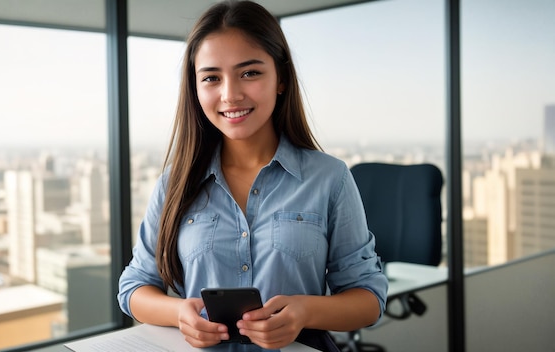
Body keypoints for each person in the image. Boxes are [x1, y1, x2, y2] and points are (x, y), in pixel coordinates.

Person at [118, 1, 388, 351]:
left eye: (250, 73)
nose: (230, 94)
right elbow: (134, 287)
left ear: (281, 79)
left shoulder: (329, 178)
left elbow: (369, 298)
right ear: (195, 88)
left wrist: (305, 311)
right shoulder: (175, 183)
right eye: (212, 78)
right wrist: (178, 312)